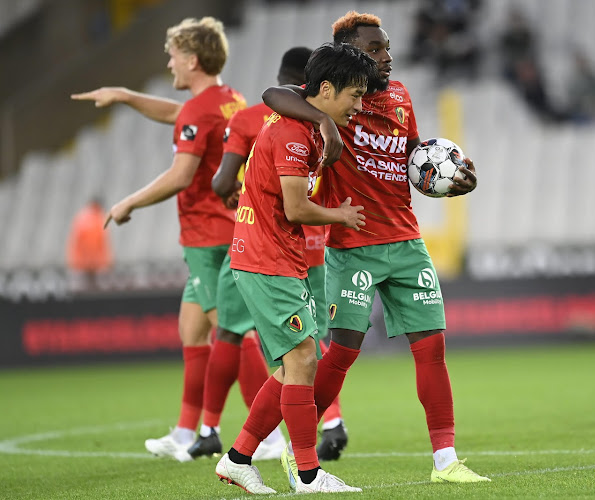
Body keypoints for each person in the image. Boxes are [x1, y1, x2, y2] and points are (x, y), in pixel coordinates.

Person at [262, 11, 489, 486]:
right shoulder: (336, 99)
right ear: (350, 56)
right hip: (352, 244)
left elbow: (407, 155)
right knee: (341, 354)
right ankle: (296, 448)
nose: (387, 56)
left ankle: (446, 461)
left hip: (406, 240)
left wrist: (445, 176)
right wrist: (324, 125)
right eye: (375, 49)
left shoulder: (401, 95)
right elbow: (274, 96)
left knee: (432, 350)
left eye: (386, 47)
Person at [70, 17, 280, 462]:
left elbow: (182, 174)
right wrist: (126, 97)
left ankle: (269, 435)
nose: (169, 63)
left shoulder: (200, 110)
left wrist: (129, 202)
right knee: (192, 330)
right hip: (228, 228)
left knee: (233, 332)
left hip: (208, 236)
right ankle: (186, 433)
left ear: (192, 59)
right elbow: (177, 113)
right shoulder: (229, 100)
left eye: (173, 56)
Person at [214, 42, 375, 494]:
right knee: (304, 357)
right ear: (326, 90)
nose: (358, 107)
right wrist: (340, 216)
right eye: (354, 96)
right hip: (265, 261)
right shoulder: (291, 133)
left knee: (292, 366)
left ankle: (238, 458)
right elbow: (296, 207)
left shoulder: (305, 125)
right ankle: (308, 474)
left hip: (278, 258)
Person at [65, 197, 113, 292]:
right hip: (91, 266)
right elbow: (98, 245)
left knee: (80, 294)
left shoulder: (81, 218)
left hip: (80, 265)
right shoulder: (98, 220)